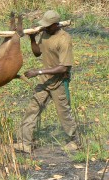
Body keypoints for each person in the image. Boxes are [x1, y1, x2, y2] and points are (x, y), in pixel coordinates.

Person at [14, 10, 79, 154]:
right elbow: (37, 53)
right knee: (33, 109)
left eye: (48, 26)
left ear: (56, 25)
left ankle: (74, 141)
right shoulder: (45, 34)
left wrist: (38, 72)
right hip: (44, 82)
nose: (45, 27)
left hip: (59, 82)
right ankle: (24, 143)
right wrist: (32, 39)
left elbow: (64, 67)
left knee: (64, 112)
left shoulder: (64, 39)